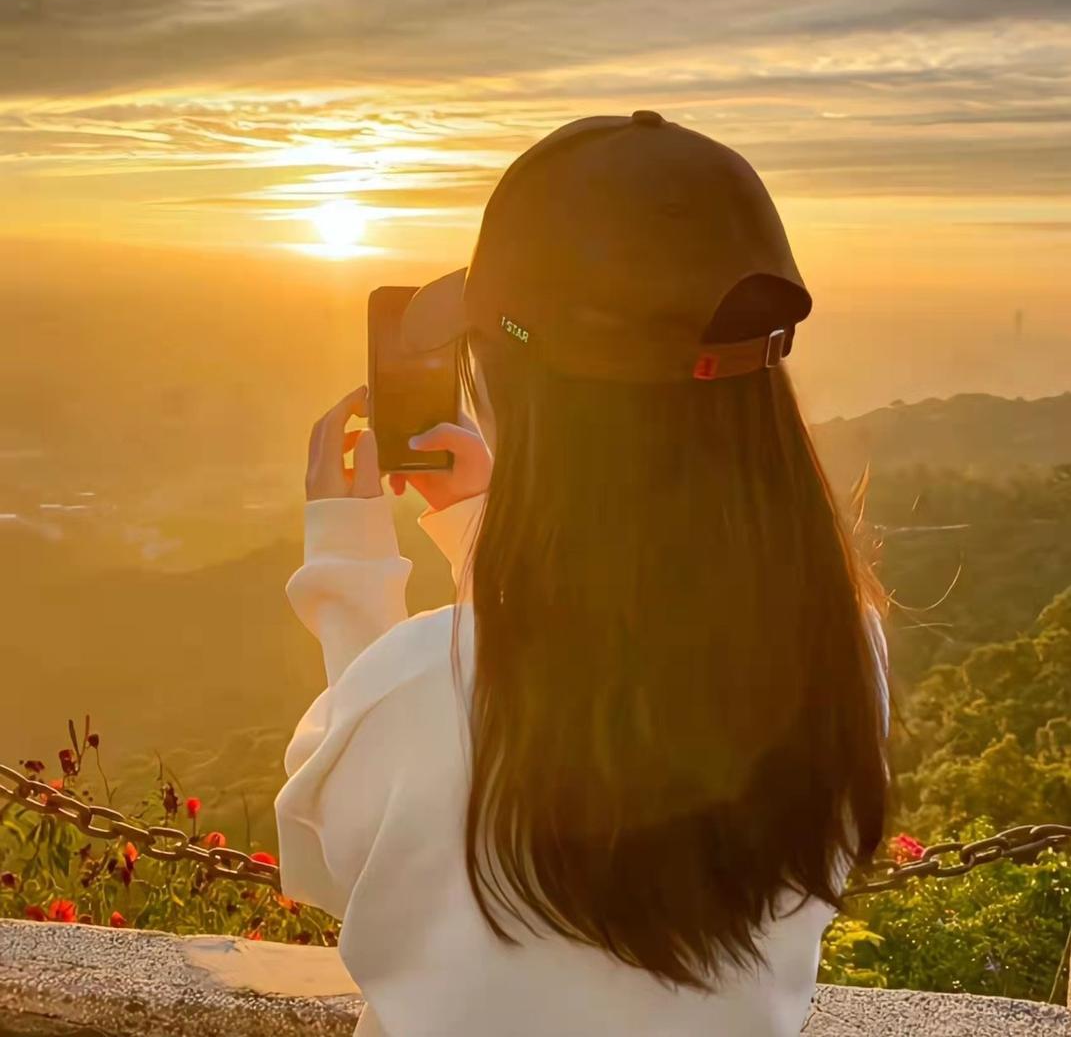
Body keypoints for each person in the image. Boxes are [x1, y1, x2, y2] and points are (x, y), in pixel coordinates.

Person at [275, 110, 892, 1037]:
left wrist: (349, 561)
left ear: (517, 389)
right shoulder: (846, 656)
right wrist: (481, 533)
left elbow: (343, 866)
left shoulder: (420, 687)